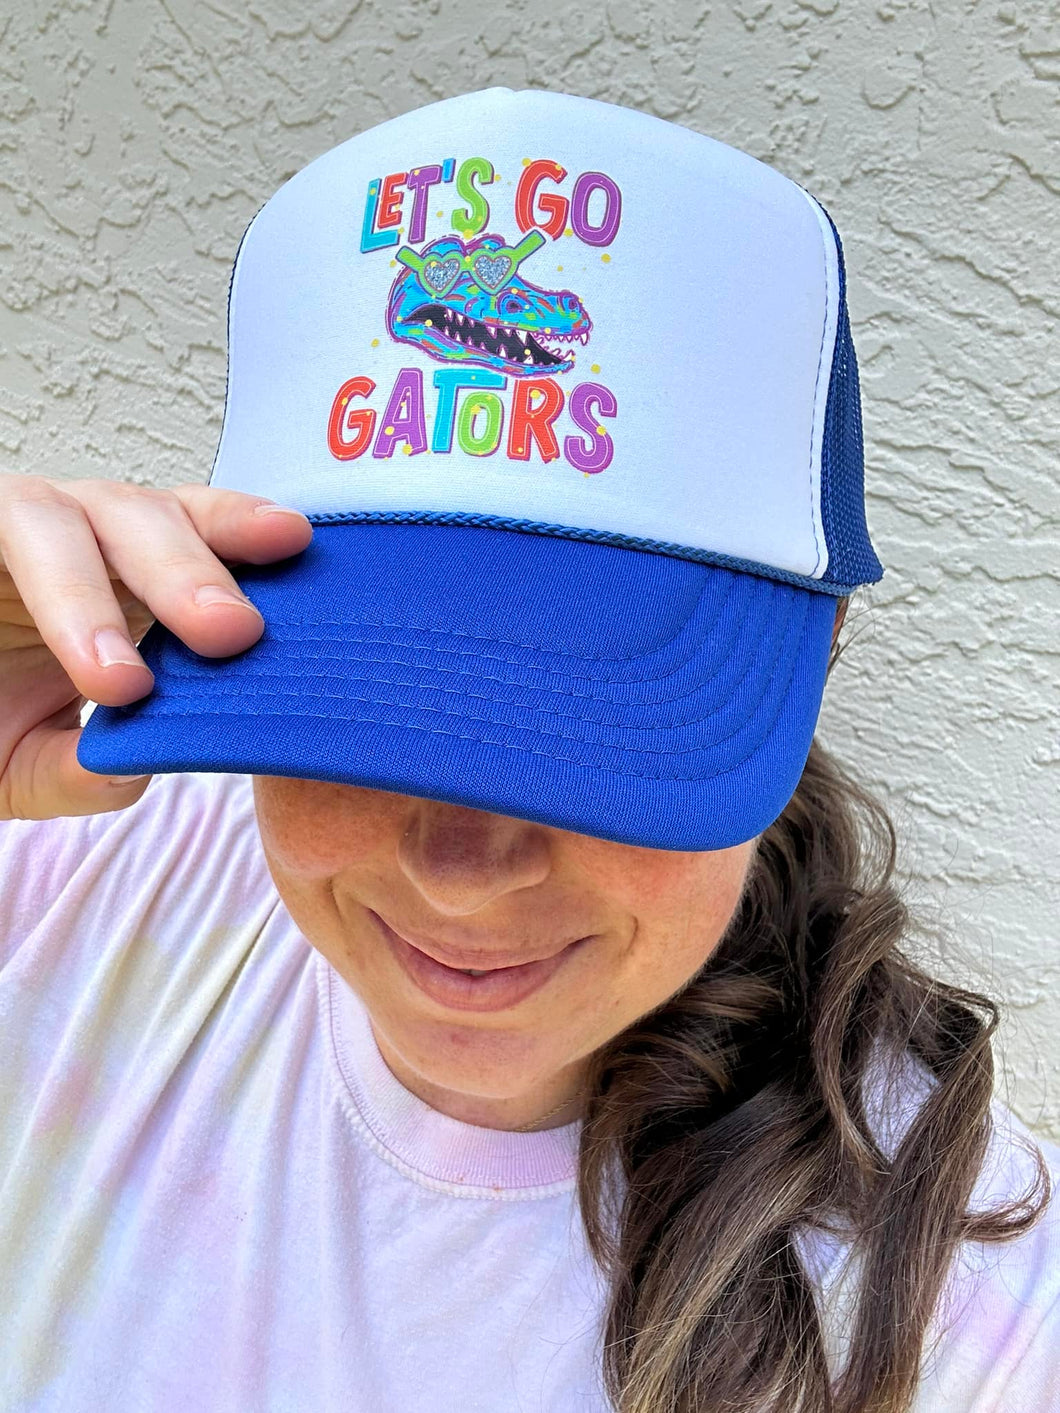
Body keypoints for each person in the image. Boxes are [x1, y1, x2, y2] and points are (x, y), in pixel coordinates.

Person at [0, 87, 1056, 1413]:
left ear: (821, 647)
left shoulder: (964, 1314)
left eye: (586, 727)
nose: (458, 868)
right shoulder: (85, 865)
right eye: (363, 713)